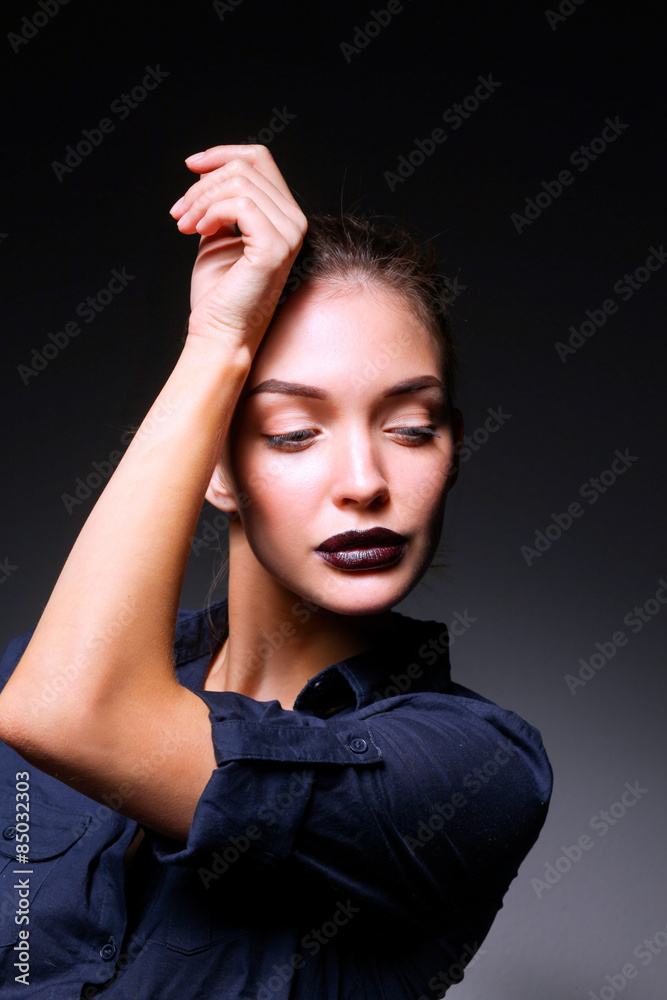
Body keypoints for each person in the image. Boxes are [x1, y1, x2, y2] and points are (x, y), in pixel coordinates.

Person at [0, 144, 552, 999]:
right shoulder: (31, 666)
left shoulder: (476, 772)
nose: (366, 482)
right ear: (213, 467)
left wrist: (219, 340)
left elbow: (71, 715)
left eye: (411, 428)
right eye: (294, 433)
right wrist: (216, 354)